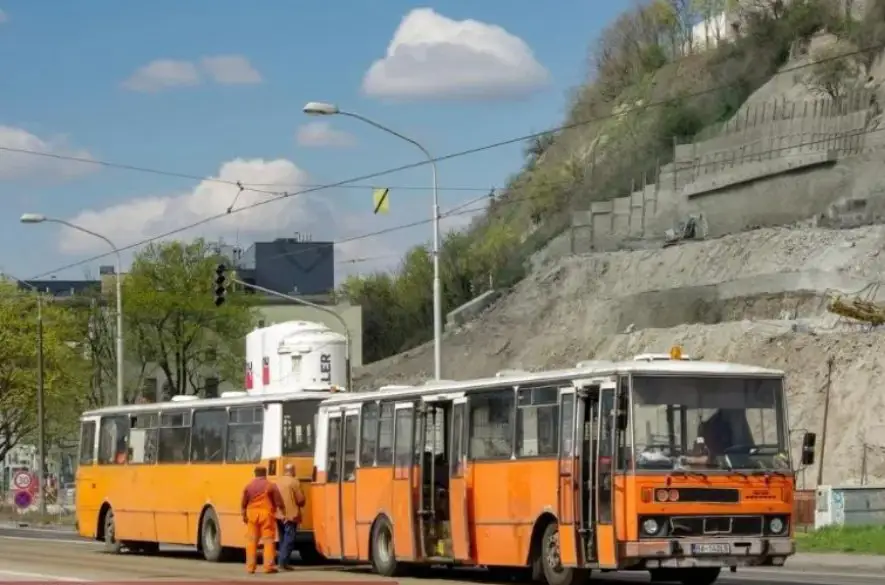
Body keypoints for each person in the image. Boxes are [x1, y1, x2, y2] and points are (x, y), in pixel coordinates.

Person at [241, 466, 284, 574]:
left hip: (252, 515)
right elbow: (279, 502)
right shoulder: (271, 485)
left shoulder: (249, 486)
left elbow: (243, 503)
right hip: (266, 516)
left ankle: (250, 567)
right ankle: (268, 567)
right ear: (265, 474)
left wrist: (244, 515)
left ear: (255, 474)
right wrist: (283, 511)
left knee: (251, 541)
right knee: (268, 541)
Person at [276, 463, 306, 570]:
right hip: (291, 515)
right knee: (289, 539)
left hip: (279, 515)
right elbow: (301, 500)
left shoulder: (278, 481)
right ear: (292, 471)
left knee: (282, 539)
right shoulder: (294, 482)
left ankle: (284, 563)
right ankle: (282, 562)